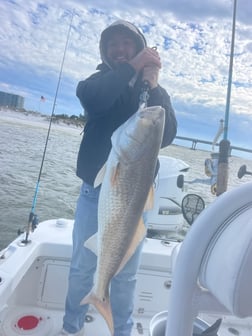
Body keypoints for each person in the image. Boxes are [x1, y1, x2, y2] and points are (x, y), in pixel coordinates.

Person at [58, 19, 177, 336]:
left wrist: (152, 82)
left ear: (138, 47)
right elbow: (97, 98)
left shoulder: (149, 91)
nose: (120, 49)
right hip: (94, 195)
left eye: (127, 43)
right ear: (105, 52)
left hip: (136, 200)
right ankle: (72, 327)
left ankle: (121, 330)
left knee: (125, 275)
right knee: (83, 267)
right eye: (114, 44)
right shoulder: (96, 83)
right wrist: (135, 66)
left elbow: (166, 133)